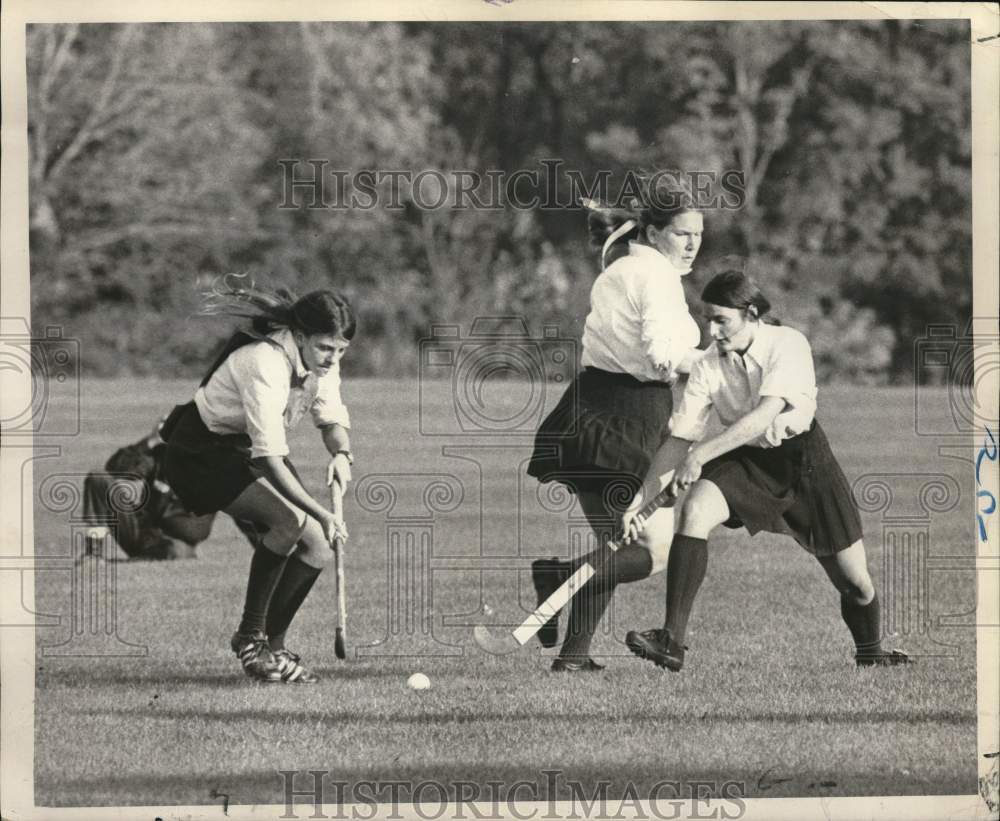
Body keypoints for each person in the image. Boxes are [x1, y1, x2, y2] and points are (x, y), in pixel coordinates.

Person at [622, 269, 912, 670]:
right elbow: (679, 438)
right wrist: (640, 502)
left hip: (805, 463)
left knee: (855, 583)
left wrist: (701, 456)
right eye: (708, 318)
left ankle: (870, 652)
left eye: (721, 319)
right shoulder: (708, 365)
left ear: (752, 313)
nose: (712, 328)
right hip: (747, 458)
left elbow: (764, 416)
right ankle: (671, 640)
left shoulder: (789, 344)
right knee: (696, 510)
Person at [525, 173, 706, 672]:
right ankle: (557, 576)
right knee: (652, 555)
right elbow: (662, 354)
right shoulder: (656, 277)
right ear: (652, 233)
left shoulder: (622, 269)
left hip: (586, 411)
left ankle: (575, 656)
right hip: (630, 418)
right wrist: (712, 360)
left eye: (698, 235)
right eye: (681, 234)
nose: (691, 245)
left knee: (614, 545)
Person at [162, 277, 356, 684]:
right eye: (324, 347)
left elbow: (331, 419)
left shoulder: (324, 362)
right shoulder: (264, 362)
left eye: (340, 350)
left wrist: (341, 453)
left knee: (316, 546)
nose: (331, 357)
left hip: (240, 448)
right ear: (300, 335)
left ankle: (273, 648)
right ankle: (252, 640)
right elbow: (269, 458)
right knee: (289, 522)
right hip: (200, 450)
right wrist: (322, 511)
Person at [82, 416, 218, 560]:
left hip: (172, 541)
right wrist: (151, 441)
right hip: (142, 532)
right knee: (97, 479)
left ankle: (133, 562)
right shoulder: (161, 456)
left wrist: (160, 520)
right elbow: (116, 469)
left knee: (175, 551)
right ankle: (93, 555)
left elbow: (196, 531)